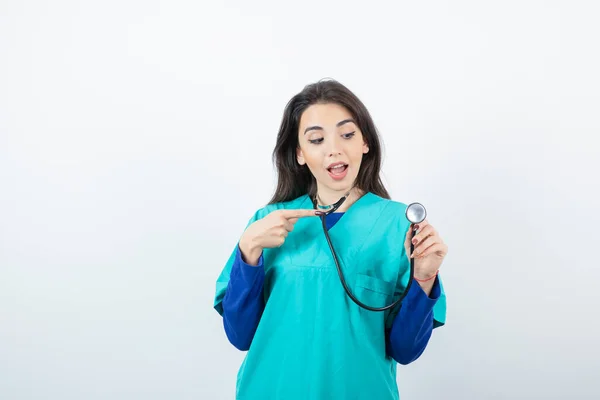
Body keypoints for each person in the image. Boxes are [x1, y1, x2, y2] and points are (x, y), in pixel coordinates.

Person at [213, 79, 448, 400]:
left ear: (365, 142)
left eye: (347, 134)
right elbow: (240, 336)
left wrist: (424, 276)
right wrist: (249, 250)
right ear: (299, 153)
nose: (334, 148)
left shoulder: (399, 227)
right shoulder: (266, 224)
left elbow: (405, 350)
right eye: (317, 139)